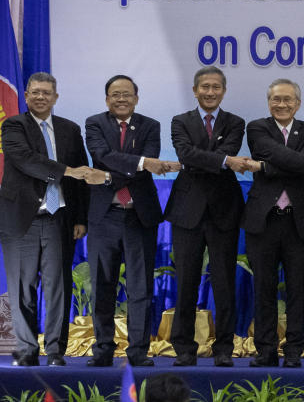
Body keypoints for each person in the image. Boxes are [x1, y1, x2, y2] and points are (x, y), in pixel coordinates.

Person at [0, 72, 101, 366]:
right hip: (21, 221)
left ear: (56, 97)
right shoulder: (13, 125)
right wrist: (67, 171)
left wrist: (81, 217)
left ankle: (56, 351)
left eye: (46, 92)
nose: (41, 97)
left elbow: (82, 176)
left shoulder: (70, 129)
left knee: (58, 287)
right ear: (26, 95)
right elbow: (26, 160)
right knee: (22, 288)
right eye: (35, 92)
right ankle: (27, 350)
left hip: (60, 220)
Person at [241, 78, 304, 368]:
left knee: (299, 288)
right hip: (264, 220)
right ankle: (266, 350)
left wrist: (262, 167)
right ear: (268, 102)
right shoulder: (257, 127)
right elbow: (280, 155)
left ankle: (295, 350)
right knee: (264, 288)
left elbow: (301, 164)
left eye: (288, 100)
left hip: (299, 221)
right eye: (276, 99)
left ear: (297, 103)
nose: (281, 105)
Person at [86, 74, 179, 367]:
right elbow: (101, 155)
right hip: (105, 215)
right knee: (103, 285)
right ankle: (102, 348)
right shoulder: (94, 123)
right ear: (107, 100)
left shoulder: (150, 125)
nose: (121, 99)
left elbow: (143, 159)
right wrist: (139, 163)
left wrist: (120, 167)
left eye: (127, 94)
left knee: (140, 287)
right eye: (115, 94)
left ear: (136, 99)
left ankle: (138, 351)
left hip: (139, 217)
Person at [164, 66, 247, 367]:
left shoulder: (236, 122)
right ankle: (184, 349)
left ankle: (224, 348)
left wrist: (210, 159)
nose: (210, 92)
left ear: (223, 90)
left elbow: (217, 153)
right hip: (187, 211)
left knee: (225, 283)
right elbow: (185, 155)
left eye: (216, 87)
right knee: (186, 282)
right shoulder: (180, 121)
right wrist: (224, 161)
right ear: (195, 90)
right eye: (205, 87)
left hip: (224, 211)